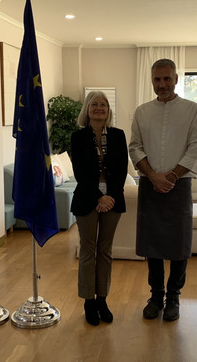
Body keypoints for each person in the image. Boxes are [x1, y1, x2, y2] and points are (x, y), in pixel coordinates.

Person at [129, 58, 197, 321]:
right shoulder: (142, 112)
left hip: (179, 186)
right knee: (153, 245)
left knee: (179, 245)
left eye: (167, 79)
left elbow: (195, 147)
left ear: (176, 79)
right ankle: (156, 295)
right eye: (157, 80)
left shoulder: (192, 109)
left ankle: (173, 297)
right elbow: (135, 147)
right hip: (150, 186)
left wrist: (170, 176)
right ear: (152, 81)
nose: (162, 84)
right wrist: (153, 176)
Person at [71, 91, 129, 326]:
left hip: (113, 198)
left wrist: (111, 196)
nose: (99, 108)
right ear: (87, 109)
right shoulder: (78, 136)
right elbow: (80, 173)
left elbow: (123, 167)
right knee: (88, 250)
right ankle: (88, 301)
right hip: (87, 198)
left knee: (105, 250)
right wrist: (98, 197)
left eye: (103, 104)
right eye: (94, 104)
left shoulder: (118, 135)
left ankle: (102, 299)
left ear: (108, 110)